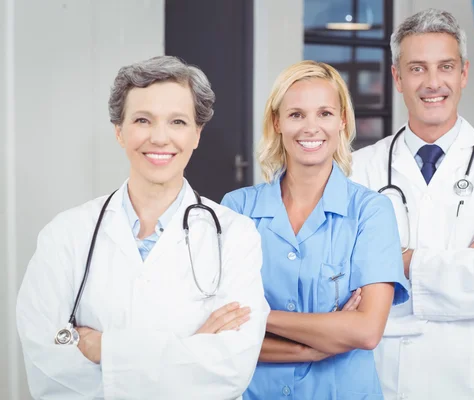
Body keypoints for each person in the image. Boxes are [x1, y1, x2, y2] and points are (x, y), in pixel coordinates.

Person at [16, 55, 270, 400]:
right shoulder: (66, 235)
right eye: (142, 120)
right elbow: (48, 368)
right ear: (119, 131)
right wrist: (191, 352)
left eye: (177, 121)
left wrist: (106, 350)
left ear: (197, 134)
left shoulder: (235, 236)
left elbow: (230, 370)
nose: (160, 138)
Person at [351, 9, 474, 400]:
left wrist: (398, 262)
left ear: (464, 74)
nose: (433, 83)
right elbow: (351, 285)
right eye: (417, 69)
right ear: (397, 78)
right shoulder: (360, 169)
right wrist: (466, 257)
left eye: (445, 67)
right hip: (389, 379)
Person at [221, 60, 410, 399]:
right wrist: (318, 343)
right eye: (296, 115)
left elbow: (366, 331)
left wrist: (260, 316)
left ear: (342, 121)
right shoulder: (238, 209)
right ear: (277, 122)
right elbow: (223, 332)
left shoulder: (370, 211)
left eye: (324, 113)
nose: (311, 128)